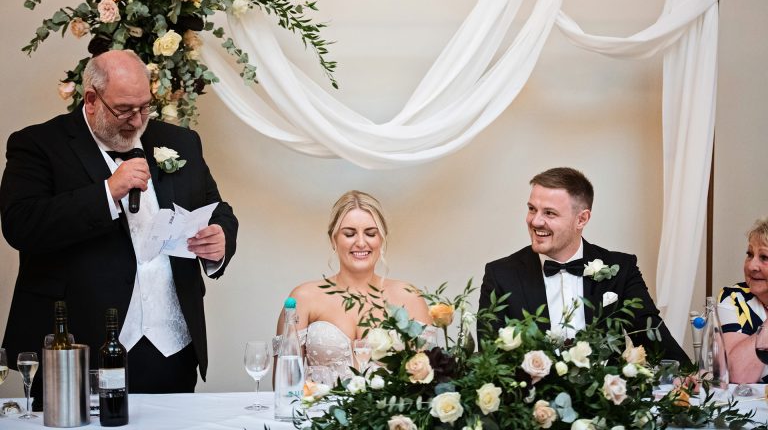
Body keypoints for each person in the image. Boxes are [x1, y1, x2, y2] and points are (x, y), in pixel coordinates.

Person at [0, 50, 238, 407]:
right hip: (78, 346)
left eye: (145, 107)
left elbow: (217, 209)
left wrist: (219, 242)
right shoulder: (38, 145)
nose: (137, 120)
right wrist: (107, 192)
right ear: (91, 99)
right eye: (125, 109)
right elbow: (21, 225)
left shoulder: (181, 142)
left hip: (170, 345)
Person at [478, 167, 689, 364]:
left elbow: (653, 335)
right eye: (532, 209)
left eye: (549, 213)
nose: (535, 221)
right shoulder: (500, 276)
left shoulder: (620, 269)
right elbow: (491, 359)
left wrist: (691, 374)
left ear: (582, 219)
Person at [276, 190, 430, 380]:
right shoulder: (303, 298)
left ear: (381, 239)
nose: (361, 242)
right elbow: (284, 383)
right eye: (349, 234)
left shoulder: (409, 297)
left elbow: (427, 381)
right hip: (316, 409)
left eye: (370, 233)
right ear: (333, 240)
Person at [718, 217, 768, 383]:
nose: (751, 266)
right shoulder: (735, 299)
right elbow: (740, 375)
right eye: (750, 254)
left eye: (764, 257)